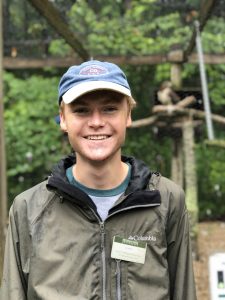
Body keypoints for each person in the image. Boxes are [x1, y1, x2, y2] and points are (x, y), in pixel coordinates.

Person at [1, 60, 197, 300]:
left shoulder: (165, 201)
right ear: (63, 118)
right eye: (81, 110)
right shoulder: (28, 209)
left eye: (110, 109)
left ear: (128, 115)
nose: (96, 122)